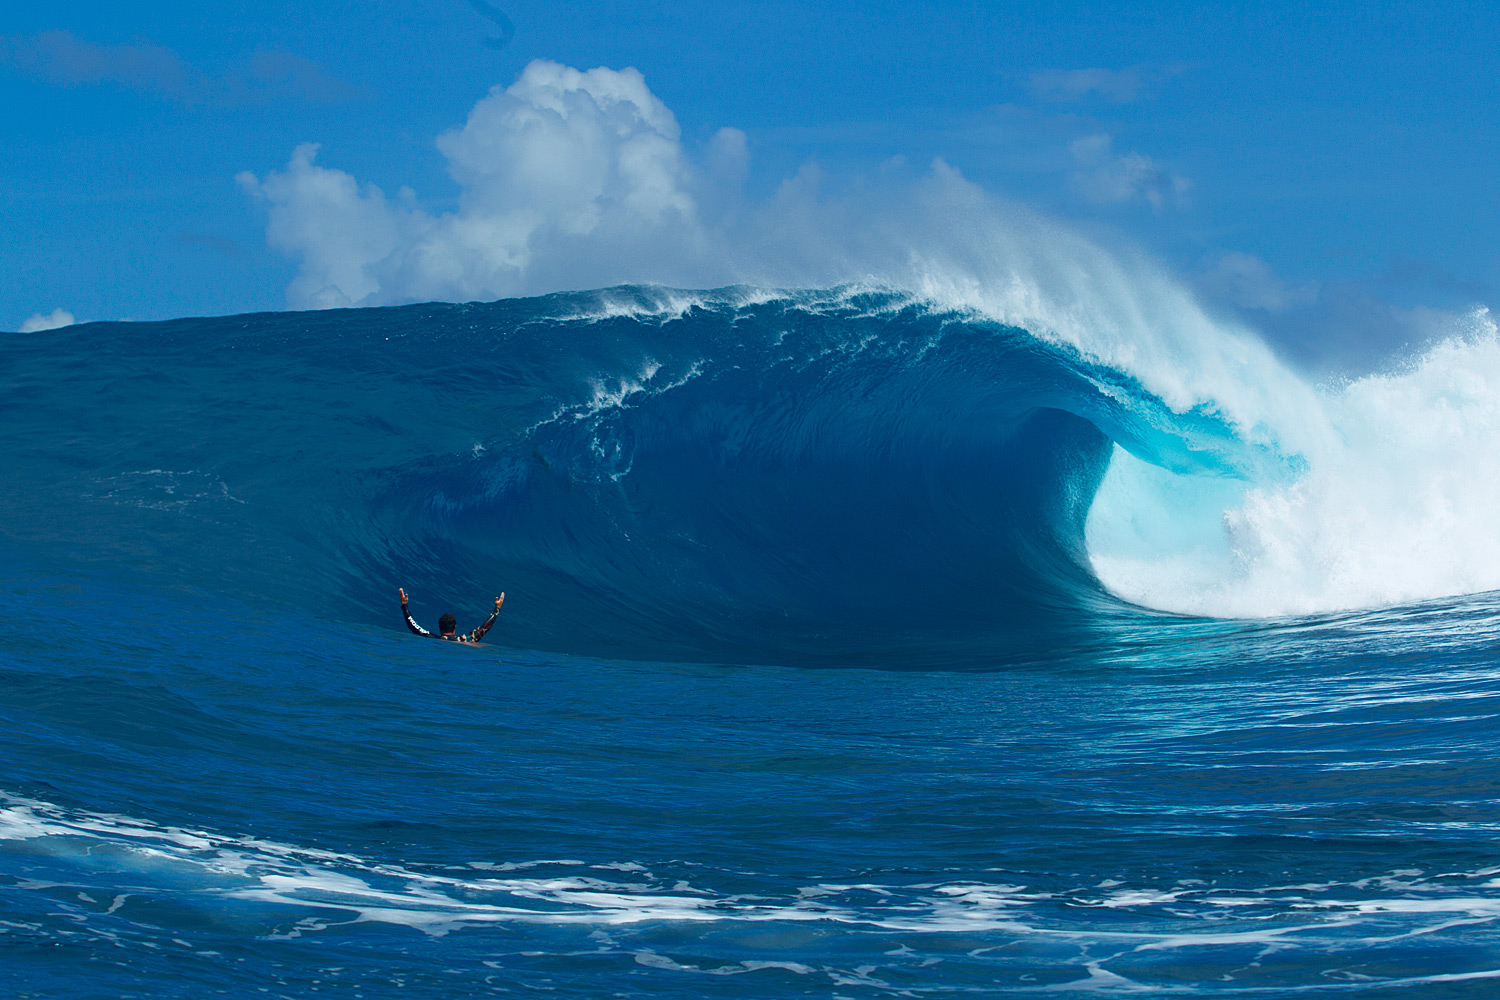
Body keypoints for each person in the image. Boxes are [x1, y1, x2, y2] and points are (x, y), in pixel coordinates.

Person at [400, 588, 504, 643]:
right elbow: (484, 628)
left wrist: (405, 606)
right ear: (455, 627)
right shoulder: (464, 641)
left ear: (439, 627)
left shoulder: (432, 638)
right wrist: (497, 609)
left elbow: (413, 626)